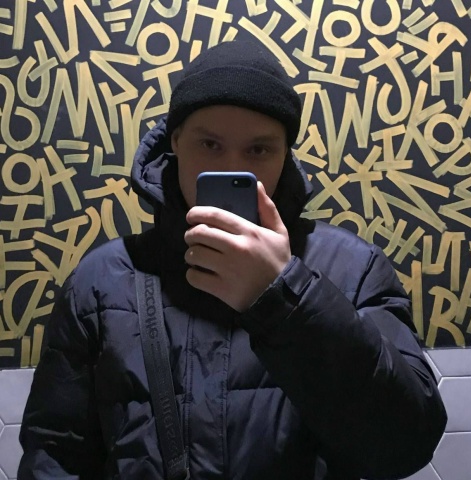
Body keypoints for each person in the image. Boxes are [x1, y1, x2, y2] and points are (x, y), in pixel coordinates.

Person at [18, 40, 446, 480]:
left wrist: (284, 297)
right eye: (210, 144)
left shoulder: (353, 269)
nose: (231, 167)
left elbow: (406, 444)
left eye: (259, 150)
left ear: (285, 154)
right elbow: (55, 456)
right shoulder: (101, 279)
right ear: (175, 141)